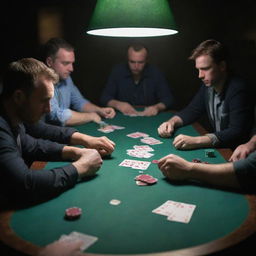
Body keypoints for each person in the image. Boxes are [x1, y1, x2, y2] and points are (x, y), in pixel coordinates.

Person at [0, 58, 106, 203]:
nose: (48, 109)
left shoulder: (13, 117)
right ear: (19, 97)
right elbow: (25, 182)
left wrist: (75, 151)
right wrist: (81, 167)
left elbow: (30, 145)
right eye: (44, 100)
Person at [158, 39, 253, 150]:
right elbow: (192, 110)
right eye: (198, 70)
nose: (200, 75)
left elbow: (236, 131)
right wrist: (171, 122)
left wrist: (196, 140)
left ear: (222, 66)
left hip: (238, 155)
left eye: (205, 69)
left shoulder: (238, 88)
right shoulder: (208, 86)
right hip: (222, 149)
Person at [42, 37, 116, 126]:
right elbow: (56, 115)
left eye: (72, 63)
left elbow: (79, 102)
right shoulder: (41, 82)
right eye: (65, 63)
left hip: (61, 133)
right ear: (49, 62)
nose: (71, 69)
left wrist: (99, 110)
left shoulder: (66, 78)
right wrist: (90, 116)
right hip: (43, 136)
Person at [100, 43, 174, 116]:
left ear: (146, 60)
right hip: (122, 117)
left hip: (149, 118)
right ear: (127, 59)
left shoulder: (155, 73)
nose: (136, 66)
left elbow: (168, 99)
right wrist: (118, 104)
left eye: (140, 62)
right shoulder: (117, 71)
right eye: (132, 62)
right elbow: (104, 98)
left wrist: (157, 107)